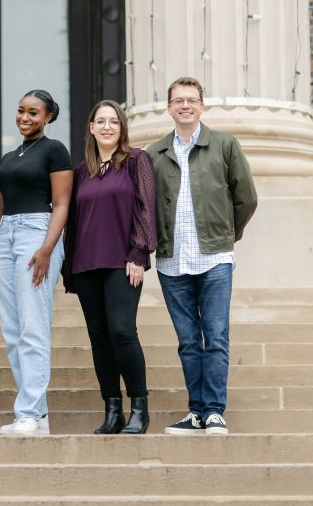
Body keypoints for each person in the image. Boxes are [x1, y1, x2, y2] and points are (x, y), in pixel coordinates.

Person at [147, 77, 257, 436]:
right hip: (171, 261)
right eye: (178, 100)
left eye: (191, 100)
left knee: (216, 336)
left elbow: (247, 198)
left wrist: (227, 234)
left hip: (214, 259)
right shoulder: (154, 154)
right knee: (189, 341)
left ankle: (213, 411)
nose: (185, 106)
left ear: (202, 106)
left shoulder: (224, 145)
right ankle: (195, 412)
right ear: (169, 108)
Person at [63, 100, 156, 435]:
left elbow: (146, 208)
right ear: (90, 127)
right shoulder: (80, 171)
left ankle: (140, 409)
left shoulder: (136, 161)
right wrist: (69, 269)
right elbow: (72, 220)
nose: (106, 127)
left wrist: (139, 253)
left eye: (113, 122)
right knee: (99, 338)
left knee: (122, 331)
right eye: (100, 121)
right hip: (86, 263)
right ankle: (113, 410)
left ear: (122, 127)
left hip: (122, 261)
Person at [0, 90, 73, 436]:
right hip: (7, 235)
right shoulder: (11, 155)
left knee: (33, 326)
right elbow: (4, 204)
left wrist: (46, 248)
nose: (25, 118)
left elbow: (63, 204)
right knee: (12, 331)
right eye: (21, 111)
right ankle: (35, 415)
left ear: (49, 117)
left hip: (37, 232)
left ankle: (28, 411)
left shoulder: (55, 151)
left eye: (34, 113)